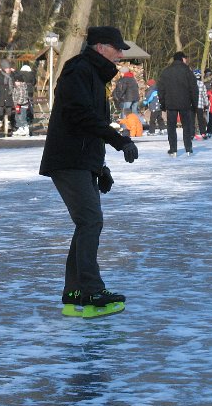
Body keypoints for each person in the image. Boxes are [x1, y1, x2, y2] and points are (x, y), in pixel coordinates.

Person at [39, 25, 138, 311]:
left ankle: (74, 291)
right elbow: (80, 116)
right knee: (90, 221)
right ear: (100, 47)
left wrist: (100, 167)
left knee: (87, 223)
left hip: (81, 161)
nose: (121, 54)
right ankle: (91, 291)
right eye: (117, 48)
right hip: (69, 160)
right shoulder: (79, 71)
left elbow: (87, 125)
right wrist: (119, 141)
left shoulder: (92, 74)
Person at [157, 51, 199, 157]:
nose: (186, 60)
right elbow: (194, 89)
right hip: (185, 103)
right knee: (186, 126)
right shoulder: (188, 71)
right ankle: (188, 148)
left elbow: (161, 89)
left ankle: (173, 149)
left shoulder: (166, 72)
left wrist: (163, 104)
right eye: (185, 58)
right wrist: (195, 104)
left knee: (171, 127)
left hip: (170, 103)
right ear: (182, 59)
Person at [0, 60, 15, 131]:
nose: (8, 69)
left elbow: (19, 76)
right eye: (7, 68)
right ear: (3, 68)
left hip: (8, 96)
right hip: (0, 97)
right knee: (0, 110)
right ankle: (0, 123)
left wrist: (14, 71)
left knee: (9, 111)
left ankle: (8, 123)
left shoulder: (12, 75)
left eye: (9, 68)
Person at [12, 71, 31, 136]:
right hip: (17, 105)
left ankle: (26, 129)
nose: (16, 83)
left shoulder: (22, 87)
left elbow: (22, 96)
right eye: (15, 81)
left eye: (17, 81)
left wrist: (18, 103)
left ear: (20, 81)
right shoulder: (16, 87)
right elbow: (14, 95)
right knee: (17, 117)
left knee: (22, 117)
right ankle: (20, 128)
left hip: (22, 105)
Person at [193, 69, 208, 140]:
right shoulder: (202, 84)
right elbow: (204, 95)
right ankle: (203, 133)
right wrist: (207, 103)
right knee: (200, 119)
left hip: (191, 104)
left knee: (191, 119)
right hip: (200, 104)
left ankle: (191, 133)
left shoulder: (191, 84)